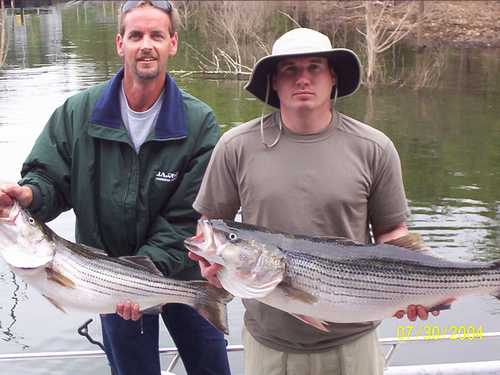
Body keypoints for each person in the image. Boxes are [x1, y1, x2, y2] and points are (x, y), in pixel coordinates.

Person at [189, 28, 439, 375]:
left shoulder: (374, 148)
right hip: (268, 347)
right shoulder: (235, 147)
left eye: (315, 67)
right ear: (274, 81)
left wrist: (420, 286)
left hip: (354, 348)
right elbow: (211, 224)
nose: (302, 78)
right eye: (290, 69)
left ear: (332, 76)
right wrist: (210, 264)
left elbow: (391, 233)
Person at [0, 1, 231, 375]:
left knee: (213, 370)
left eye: (157, 35)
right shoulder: (76, 113)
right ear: (119, 43)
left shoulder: (199, 121)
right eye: (136, 35)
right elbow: (49, 179)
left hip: (181, 274)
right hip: (107, 278)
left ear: (172, 43)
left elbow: (188, 217)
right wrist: (30, 196)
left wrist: (143, 274)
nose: (146, 45)